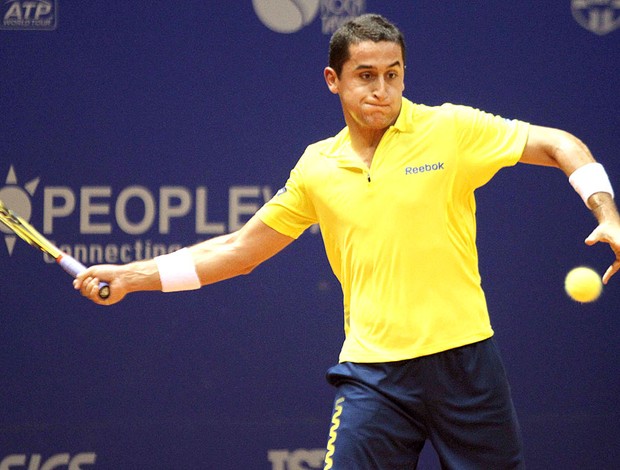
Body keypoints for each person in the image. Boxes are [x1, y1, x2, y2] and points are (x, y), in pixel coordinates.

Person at [75, 14, 620, 469]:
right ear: (334, 80)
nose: (381, 90)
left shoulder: (449, 129)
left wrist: (608, 212)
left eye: (393, 74)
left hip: (466, 365)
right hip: (375, 376)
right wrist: (130, 276)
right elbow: (239, 251)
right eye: (365, 76)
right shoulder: (318, 166)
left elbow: (557, 143)